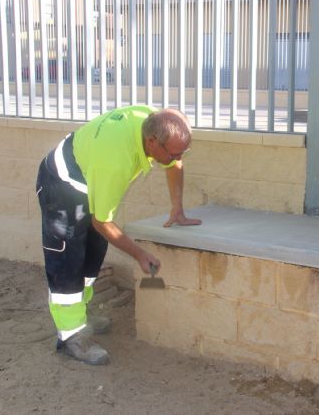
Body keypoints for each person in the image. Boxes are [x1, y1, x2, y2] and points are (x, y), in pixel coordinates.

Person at [35, 105, 201, 365]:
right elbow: (102, 221)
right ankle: (71, 337)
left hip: (90, 175)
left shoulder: (153, 122)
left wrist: (177, 208)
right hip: (62, 185)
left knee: (93, 254)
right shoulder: (116, 162)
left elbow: (173, 161)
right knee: (68, 261)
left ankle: (81, 316)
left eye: (184, 151)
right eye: (175, 152)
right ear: (151, 142)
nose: (179, 157)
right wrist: (139, 254)